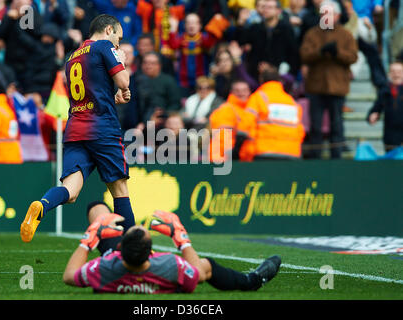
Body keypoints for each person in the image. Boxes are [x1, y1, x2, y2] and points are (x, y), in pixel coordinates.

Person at [20, 14, 134, 243]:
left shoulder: (72, 57)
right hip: (103, 129)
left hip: (75, 130)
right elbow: (124, 82)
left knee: (70, 191)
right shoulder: (104, 46)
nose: (118, 44)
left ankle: (42, 205)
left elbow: (89, 96)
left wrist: (113, 99)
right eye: (118, 38)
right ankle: (133, 249)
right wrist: (121, 60)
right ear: (109, 30)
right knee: (120, 190)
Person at [62, 201, 282, 294]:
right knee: (207, 266)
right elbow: (197, 273)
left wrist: (89, 239)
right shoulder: (168, 264)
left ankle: (100, 220)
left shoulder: (105, 267)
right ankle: (252, 281)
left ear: (118, 248)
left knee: (97, 208)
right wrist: (181, 237)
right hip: (157, 276)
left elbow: (69, 276)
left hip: (119, 274)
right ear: (152, 252)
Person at [300, 0, 357, 159]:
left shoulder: (346, 34)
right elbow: (304, 55)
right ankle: (316, 157)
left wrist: (337, 53)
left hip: (337, 87)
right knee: (316, 126)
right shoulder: (312, 33)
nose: (326, 17)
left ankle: (336, 157)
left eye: (329, 14)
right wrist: (320, 52)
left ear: (337, 15)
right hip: (316, 86)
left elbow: (353, 57)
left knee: (337, 126)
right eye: (323, 14)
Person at [246, 66, 306, 160]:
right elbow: (300, 130)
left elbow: (247, 124)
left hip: (265, 151)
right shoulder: (291, 101)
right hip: (291, 152)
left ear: (261, 80)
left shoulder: (258, 97)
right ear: (279, 81)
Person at [209, 80, 256, 162]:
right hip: (226, 159)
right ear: (231, 92)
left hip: (244, 159)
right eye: (237, 91)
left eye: (244, 90)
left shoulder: (251, 110)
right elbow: (222, 137)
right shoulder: (226, 109)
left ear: (249, 92)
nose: (241, 93)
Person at [367, 61, 403, 152]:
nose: (396, 75)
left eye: (399, 72)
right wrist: (372, 115)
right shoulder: (384, 91)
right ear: (389, 74)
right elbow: (376, 108)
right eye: (393, 72)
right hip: (390, 136)